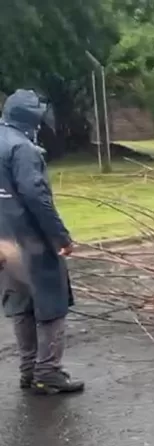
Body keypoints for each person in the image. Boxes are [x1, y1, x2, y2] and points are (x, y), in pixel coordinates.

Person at [0, 89, 84, 395]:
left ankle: (28, 370)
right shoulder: (23, 148)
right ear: (33, 119)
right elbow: (36, 197)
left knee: (19, 302)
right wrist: (60, 237)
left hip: (3, 243)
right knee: (51, 303)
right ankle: (47, 371)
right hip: (30, 241)